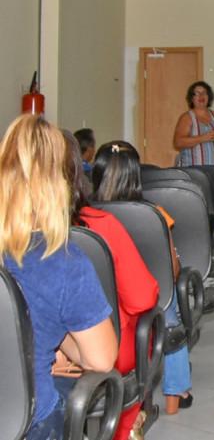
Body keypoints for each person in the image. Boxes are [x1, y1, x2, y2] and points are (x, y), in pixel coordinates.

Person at [0, 115, 117, 440]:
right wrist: (60, 341)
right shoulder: (63, 261)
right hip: (26, 420)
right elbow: (102, 358)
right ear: (58, 182)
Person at [56, 131, 159, 440]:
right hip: (103, 349)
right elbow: (142, 298)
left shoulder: (13, 231)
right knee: (141, 331)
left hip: (29, 356)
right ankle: (126, 427)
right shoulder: (101, 225)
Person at [92, 140, 195, 415]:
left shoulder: (84, 215)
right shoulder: (155, 215)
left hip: (99, 304)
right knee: (169, 306)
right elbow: (171, 269)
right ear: (136, 175)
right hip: (146, 303)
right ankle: (178, 390)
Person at [173, 81, 214, 167]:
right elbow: (178, 142)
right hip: (192, 172)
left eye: (204, 93)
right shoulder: (187, 117)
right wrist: (203, 138)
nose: (201, 96)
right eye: (197, 93)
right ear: (192, 98)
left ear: (209, 97)